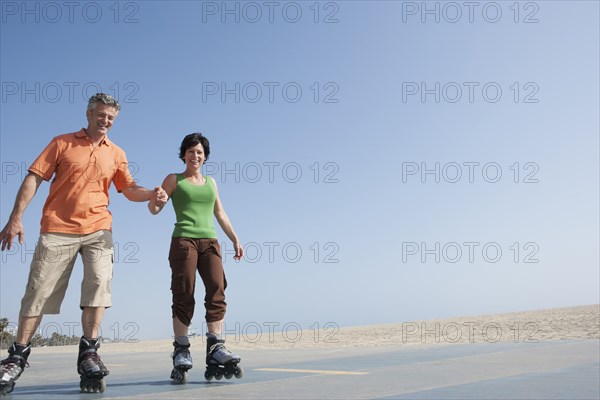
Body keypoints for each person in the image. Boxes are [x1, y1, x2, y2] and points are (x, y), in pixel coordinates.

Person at [0, 93, 159, 394]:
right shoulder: (61, 142)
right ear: (88, 113)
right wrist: (15, 217)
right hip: (57, 229)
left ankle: (89, 351)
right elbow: (34, 177)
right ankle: (17, 355)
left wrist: (152, 193)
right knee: (38, 291)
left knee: (99, 283)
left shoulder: (116, 153)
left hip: (99, 229)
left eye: (111, 118)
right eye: (101, 115)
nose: (106, 121)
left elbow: (129, 189)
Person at [148, 133, 244, 383]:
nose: (195, 155)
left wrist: (235, 238)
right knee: (184, 290)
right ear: (184, 155)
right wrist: (155, 200)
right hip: (183, 241)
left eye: (200, 152)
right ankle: (181, 349)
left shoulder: (211, 182)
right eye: (191, 151)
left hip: (210, 241)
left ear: (205, 156)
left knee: (217, 288)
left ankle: (216, 346)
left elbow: (220, 213)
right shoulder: (174, 179)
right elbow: (155, 208)